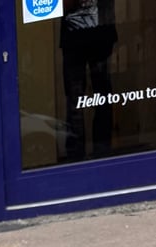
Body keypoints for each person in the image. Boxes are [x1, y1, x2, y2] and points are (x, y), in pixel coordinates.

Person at [60, 0, 117, 160]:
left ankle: (99, 155)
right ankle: (78, 158)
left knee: (100, 97)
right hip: (79, 35)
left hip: (99, 32)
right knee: (77, 100)